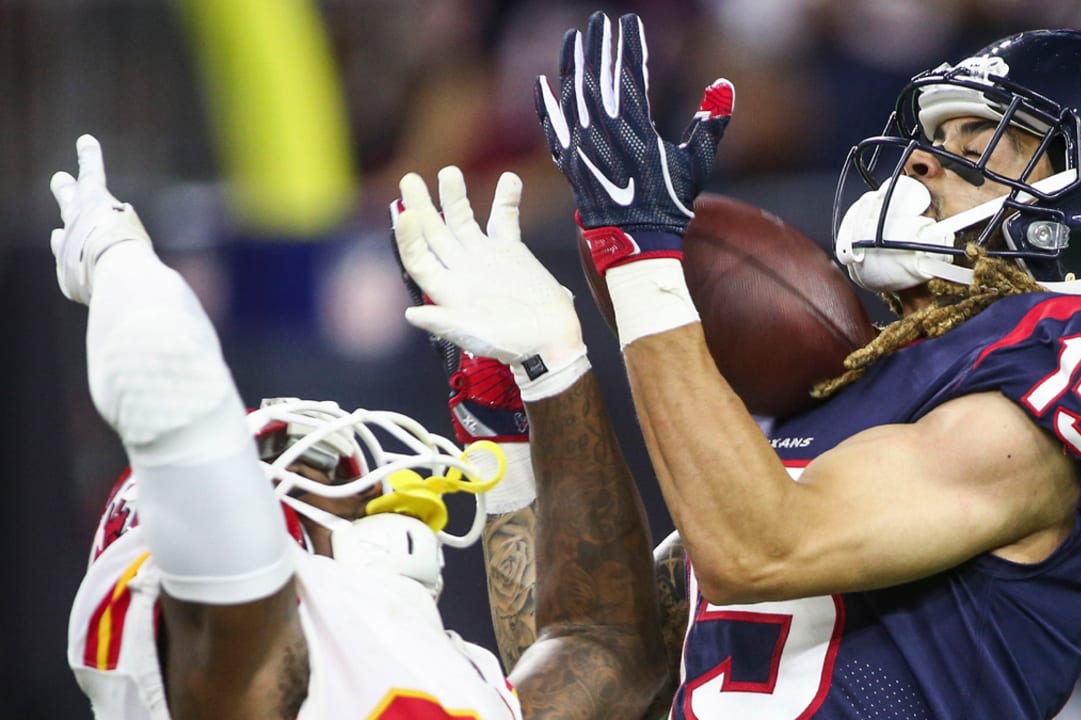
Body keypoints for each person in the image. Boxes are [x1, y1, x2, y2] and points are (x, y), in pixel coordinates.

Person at [405, 11, 1081, 719]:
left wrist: (644, 258)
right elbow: (593, 674)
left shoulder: (1078, 353)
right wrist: (538, 391)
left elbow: (763, 547)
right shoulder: (832, 380)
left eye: (982, 141)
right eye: (934, 140)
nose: (926, 162)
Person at [54, 134, 668, 719]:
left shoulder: (434, 671)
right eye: (317, 465)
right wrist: (113, 254)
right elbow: (174, 399)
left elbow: (605, 648)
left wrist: (552, 371)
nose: (372, 486)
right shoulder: (233, 672)